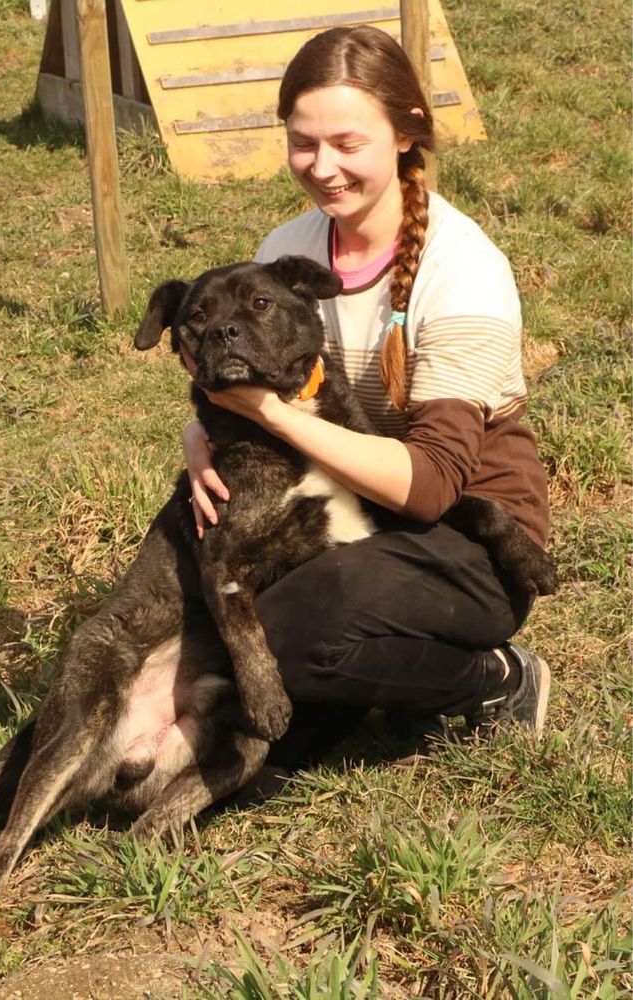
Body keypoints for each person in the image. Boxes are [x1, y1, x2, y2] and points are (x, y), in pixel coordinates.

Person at [181, 25, 551, 763]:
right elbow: (237, 375)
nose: (322, 166)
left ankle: (490, 680)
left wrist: (269, 414)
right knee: (218, 626)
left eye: (347, 144)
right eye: (303, 142)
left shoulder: (463, 270)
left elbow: (429, 487)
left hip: (467, 535)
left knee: (282, 637)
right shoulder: (284, 252)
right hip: (348, 508)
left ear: (408, 133)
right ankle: (365, 680)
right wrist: (202, 436)